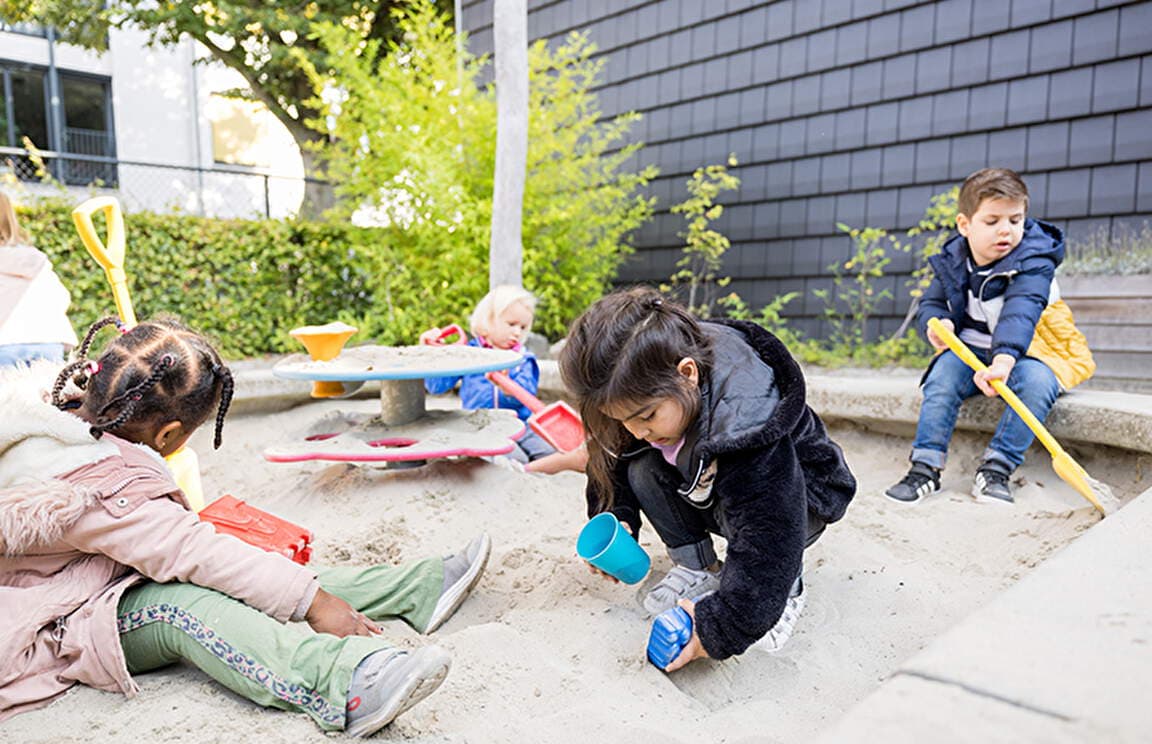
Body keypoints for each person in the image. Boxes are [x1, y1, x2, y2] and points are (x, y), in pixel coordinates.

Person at [0, 316, 491, 737]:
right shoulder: (102, 487)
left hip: (83, 577)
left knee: (251, 570)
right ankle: (337, 682)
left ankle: (415, 590)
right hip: (51, 622)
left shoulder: (52, 416)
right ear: (169, 433)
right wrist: (315, 604)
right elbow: (196, 554)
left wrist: (306, 594)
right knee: (185, 602)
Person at [558, 287, 857, 671]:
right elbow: (615, 457)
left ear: (687, 374)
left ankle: (788, 588)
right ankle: (697, 566)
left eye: (646, 417)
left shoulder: (745, 419)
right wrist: (619, 517)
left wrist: (721, 626)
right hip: (714, 480)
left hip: (800, 500)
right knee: (641, 468)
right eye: (622, 419)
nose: (635, 430)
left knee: (761, 542)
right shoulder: (641, 384)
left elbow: (770, 532)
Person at [884, 168, 1095, 506]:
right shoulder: (953, 259)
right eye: (992, 220)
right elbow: (933, 302)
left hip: (1027, 351)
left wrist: (1004, 360)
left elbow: (1021, 312)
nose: (1006, 231)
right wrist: (937, 324)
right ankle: (925, 468)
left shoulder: (1034, 261)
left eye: (1015, 220)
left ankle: (997, 468)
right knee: (941, 378)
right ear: (965, 225)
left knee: (1039, 383)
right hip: (970, 352)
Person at [421, 284, 586, 474]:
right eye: (511, 324)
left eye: (523, 327)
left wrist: (508, 389)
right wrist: (432, 354)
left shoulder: (522, 359)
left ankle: (532, 468)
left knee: (547, 452)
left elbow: (526, 395)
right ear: (488, 321)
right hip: (482, 425)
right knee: (515, 457)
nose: (517, 332)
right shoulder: (470, 355)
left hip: (520, 423)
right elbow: (436, 387)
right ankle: (516, 468)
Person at [0, 190, 78, 367]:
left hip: (4, 343)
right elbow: (62, 297)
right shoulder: (33, 258)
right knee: (48, 394)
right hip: (48, 340)